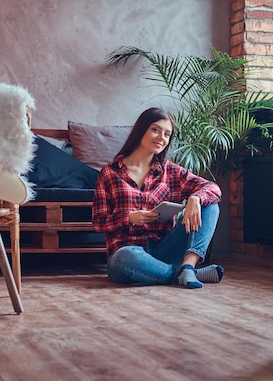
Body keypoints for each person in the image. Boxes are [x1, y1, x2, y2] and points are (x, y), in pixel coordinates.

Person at [92, 107, 224, 289]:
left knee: (210, 205)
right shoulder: (109, 173)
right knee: (126, 257)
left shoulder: (170, 172)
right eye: (155, 129)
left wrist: (195, 198)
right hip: (127, 254)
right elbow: (99, 222)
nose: (161, 137)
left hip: (164, 248)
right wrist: (129, 218)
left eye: (167, 134)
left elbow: (212, 188)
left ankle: (188, 266)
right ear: (141, 130)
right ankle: (185, 274)